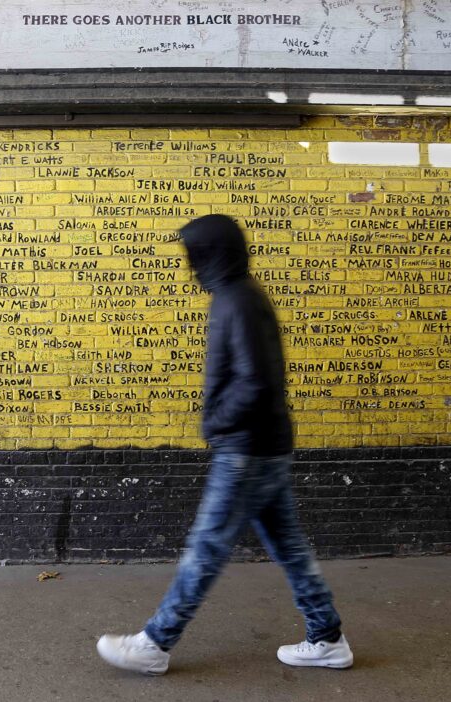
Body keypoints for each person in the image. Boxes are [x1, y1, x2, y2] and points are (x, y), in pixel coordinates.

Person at [96, 214, 352, 676]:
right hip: (265, 444)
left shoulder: (236, 300)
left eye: (193, 254)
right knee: (289, 548)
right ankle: (328, 637)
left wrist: (215, 422)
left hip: (246, 449)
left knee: (208, 546)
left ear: (211, 253)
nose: (190, 264)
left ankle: (156, 642)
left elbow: (255, 380)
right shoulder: (241, 295)